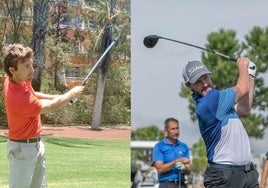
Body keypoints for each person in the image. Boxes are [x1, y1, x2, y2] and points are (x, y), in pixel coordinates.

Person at [3, 43, 85, 188]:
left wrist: (62, 96)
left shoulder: (17, 81)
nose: (32, 70)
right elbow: (52, 106)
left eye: (31, 65)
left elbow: (35, 95)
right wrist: (71, 94)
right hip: (22, 152)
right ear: (12, 70)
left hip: (36, 146)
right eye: (26, 67)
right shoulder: (20, 100)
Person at [182, 58, 259, 188]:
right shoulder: (209, 102)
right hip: (224, 176)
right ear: (189, 86)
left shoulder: (220, 104)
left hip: (247, 174)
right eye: (198, 82)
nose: (205, 84)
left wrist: (250, 74)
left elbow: (244, 109)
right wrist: (242, 66)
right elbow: (243, 88)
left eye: (205, 78)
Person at [152, 117, 191, 188]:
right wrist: (176, 161)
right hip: (166, 184)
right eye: (173, 129)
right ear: (165, 131)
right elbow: (160, 169)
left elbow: (188, 171)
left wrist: (184, 168)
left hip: (182, 184)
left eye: (177, 128)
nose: (176, 132)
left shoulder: (184, 146)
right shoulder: (159, 146)